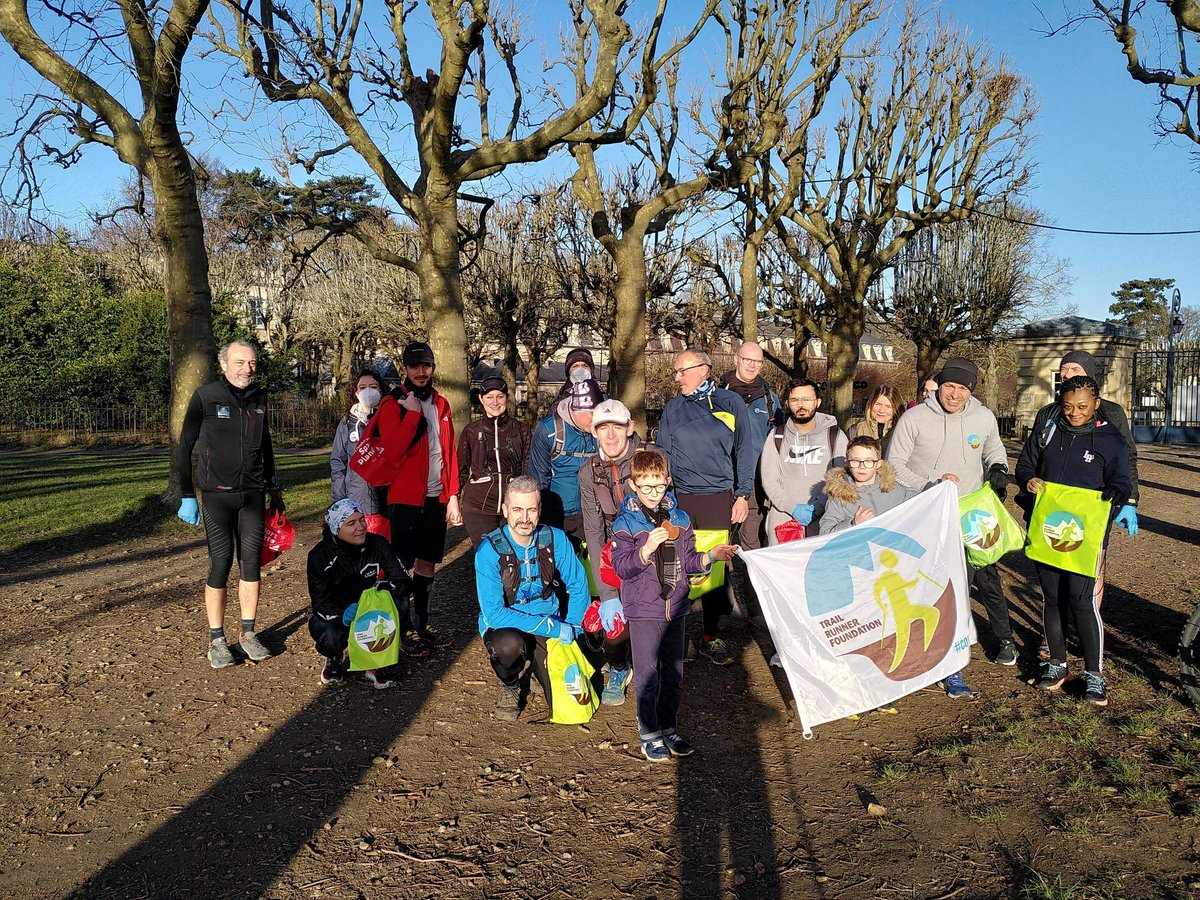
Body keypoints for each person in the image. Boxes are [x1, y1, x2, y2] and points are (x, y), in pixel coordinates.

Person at [888, 356, 1014, 699]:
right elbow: (894, 464)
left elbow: (994, 449)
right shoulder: (915, 418)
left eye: (961, 388)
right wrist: (930, 486)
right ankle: (929, 656)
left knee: (974, 581)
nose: (954, 394)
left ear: (970, 391)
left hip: (970, 513)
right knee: (932, 586)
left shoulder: (983, 417)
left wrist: (998, 468)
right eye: (949, 386)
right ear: (939, 386)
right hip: (926, 513)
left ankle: (971, 652)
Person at [611, 449, 737, 761]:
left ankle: (669, 726)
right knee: (647, 675)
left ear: (668, 481)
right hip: (644, 610)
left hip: (676, 606)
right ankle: (649, 733)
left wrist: (711, 557)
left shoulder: (680, 518)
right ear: (633, 485)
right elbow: (622, 567)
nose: (653, 493)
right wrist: (645, 550)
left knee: (674, 674)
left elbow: (690, 560)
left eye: (659, 486)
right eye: (646, 487)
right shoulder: (625, 524)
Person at [1015, 375, 1132, 707]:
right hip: (1047, 531)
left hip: (1086, 536)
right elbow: (1024, 466)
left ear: (1096, 404)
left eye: (1082, 406)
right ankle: (1058, 663)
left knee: (1081, 600)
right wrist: (1029, 480)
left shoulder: (1111, 440)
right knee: (1053, 599)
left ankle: (1094, 674)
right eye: (1068, 406)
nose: (1075, 413)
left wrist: (1118, 493)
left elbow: (1123, 480)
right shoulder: (1047, 430)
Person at [175, 340, 281, 669]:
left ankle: (248, 634)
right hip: (217, 495)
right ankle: (217, 639)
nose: (247, 369)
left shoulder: (259, 397)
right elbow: (184, 446)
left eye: (252, 363)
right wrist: (187, 494)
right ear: (223, 364)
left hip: (252, 494)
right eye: (240, 362)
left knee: (251, 564)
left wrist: (274, 488)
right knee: (220, 564)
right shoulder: (205, 396)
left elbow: (265, 444)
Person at [1022, 350, 1140, 637]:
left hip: (1092, 509)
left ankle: (1088, 622)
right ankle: (1055, 637)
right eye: (1063, 369)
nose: (1066, 374)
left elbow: (1126, 458)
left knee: (1089, 571)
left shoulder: (1112, 412)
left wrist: (1130, 500)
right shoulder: (1048, 413)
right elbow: (1033, 459)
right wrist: (1029, 483)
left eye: (1074, 368)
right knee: (1053, 575)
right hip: (1052, 507)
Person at [655, 349, 756, 666]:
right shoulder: (673, 408)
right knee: (678, 565)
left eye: (681, 371)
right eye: (675, 371)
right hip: (681, 498)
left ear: (703, 369)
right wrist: (663, 497)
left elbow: (745, 449)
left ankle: (710, 636)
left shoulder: (730, 403)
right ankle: (679, 635)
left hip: (717, 497)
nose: (676, 377)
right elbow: (662, 452)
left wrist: (742, 495)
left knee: (713, 567)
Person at [474, 476, 590, 722]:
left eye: (531, 510)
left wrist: (574, 625)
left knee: (569, 704)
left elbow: (579, 584)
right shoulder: (488, 551)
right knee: (508, 646)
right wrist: (554, 628)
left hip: (549, 616)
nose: (524, 518)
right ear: (505, 510)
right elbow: (494, 614)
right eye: (517, 509)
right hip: (507, 625)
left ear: (539, 510)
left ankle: (538, 669)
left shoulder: (555, 539)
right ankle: (510, 683)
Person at [374, 340, 462, 649]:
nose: (421, 372)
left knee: (427, 563)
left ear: (433, 367)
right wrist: (411, 414)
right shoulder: (391, 404)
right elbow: (392, 451)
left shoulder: (442, 404)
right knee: (401, 565)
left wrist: (453, 494)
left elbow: (448, 451)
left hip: (435, 497)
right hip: (404, 499)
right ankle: (403, 627)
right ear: (405, 369)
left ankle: (423, 621)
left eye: (426, 366)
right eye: (415, 366)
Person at [307, 499, 415, 688]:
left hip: (369, 607)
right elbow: (319, 602)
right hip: (338, 611)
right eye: (351, 523)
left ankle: (376, 660)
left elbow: (404, 580)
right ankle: (334, 656)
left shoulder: (378, 543)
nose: (361, 527)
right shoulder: (319, 556)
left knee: (399, 600)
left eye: (362, 520)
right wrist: (342, 615)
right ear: (336, 529)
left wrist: (391, 587)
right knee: (330, 636)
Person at [577, 398, 641, 705]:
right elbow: (593, 531)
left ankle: (651, 667)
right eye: (603, 428)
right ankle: (618, 667)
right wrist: (607, 594)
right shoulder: (588, 471)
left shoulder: (650, 458)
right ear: (594, 432)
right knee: (613, 625)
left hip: (649, 549)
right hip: (612, 552)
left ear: (630, 428)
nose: (611, 435)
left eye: (617, 427)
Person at [760, 379, 848, 545]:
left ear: (818, 402)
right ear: (787, 403)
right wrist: (791, 507)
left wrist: (818, 506)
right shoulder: (776, 436)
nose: (800, 405)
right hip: (783, 519)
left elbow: (840, 478)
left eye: (806, 399)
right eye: (794, 400)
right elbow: (769, 481)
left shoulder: (835, 436)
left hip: (825, 517)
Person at [716, 340, 779, 552]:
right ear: (736, 359)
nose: (752, 365)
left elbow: (777, 441)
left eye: (757, 362)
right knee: (718, 537)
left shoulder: (770, 401)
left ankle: (750, 574)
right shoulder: (716, 396)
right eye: (747, 360)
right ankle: (720, 574)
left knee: (751, 538)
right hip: (720, 476)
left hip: (754, 478)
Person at [457, 372, 532, 549]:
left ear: (507, 397)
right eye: (489, 397)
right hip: (479, 506)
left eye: (500, 396)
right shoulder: (471, 431)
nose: (495, 402)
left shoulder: (522, 430)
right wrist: (454, 499)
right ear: (481, 399)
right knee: (487, 553)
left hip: (514, 503)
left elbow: (528, 465)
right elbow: (461, 468)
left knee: (513, 553)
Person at [528, 374, 602, 548]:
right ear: (575, 409)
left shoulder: (602, 428)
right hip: (555, 515)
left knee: (588, 563)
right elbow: (539, 478)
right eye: (590, 413)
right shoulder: (548, 429)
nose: (595, 419)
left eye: (597, 411)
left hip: (591, 514)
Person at [330, 369, 389, 536]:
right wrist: (340, 499)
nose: (368, 391)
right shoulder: (347, 423)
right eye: (362, 387)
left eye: (373, 387)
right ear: (356, 393)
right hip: (355, 498)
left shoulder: (390, 419)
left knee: (383, 546)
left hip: (385, 501)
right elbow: (338, 461)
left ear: (381, 391)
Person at [819, 435, 917, 535]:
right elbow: (825, 533)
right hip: (860, 544)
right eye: (856, 461)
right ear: (847, 463)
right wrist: (853, 523)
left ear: (878, 464)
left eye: (868, 461)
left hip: (892, 543)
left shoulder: (893, 489)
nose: (862, 466)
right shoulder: (838, 497)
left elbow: (922, 503)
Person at [847, 384, 905, 457]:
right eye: (877, 404)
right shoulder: (855, 431)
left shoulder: (903, 432)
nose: (881, 410)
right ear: (870, 404)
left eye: (888, 407)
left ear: (896, 409)